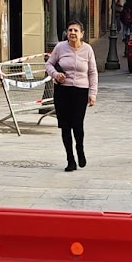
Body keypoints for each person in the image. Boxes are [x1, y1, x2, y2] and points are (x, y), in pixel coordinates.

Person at [46, 21, 99, 172]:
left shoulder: (87, 49)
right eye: (70, 30)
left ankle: (80, 150)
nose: (72, 33)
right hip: (62, 91)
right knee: (65, 126)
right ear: (66, 33)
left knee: (77, 124)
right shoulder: (60, 47)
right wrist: (56, 74)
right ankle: (70, 159)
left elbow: (92, 72)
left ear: (82, 34)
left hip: (80, 91)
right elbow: (49, 64)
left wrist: (93, 93)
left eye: (76, 30)